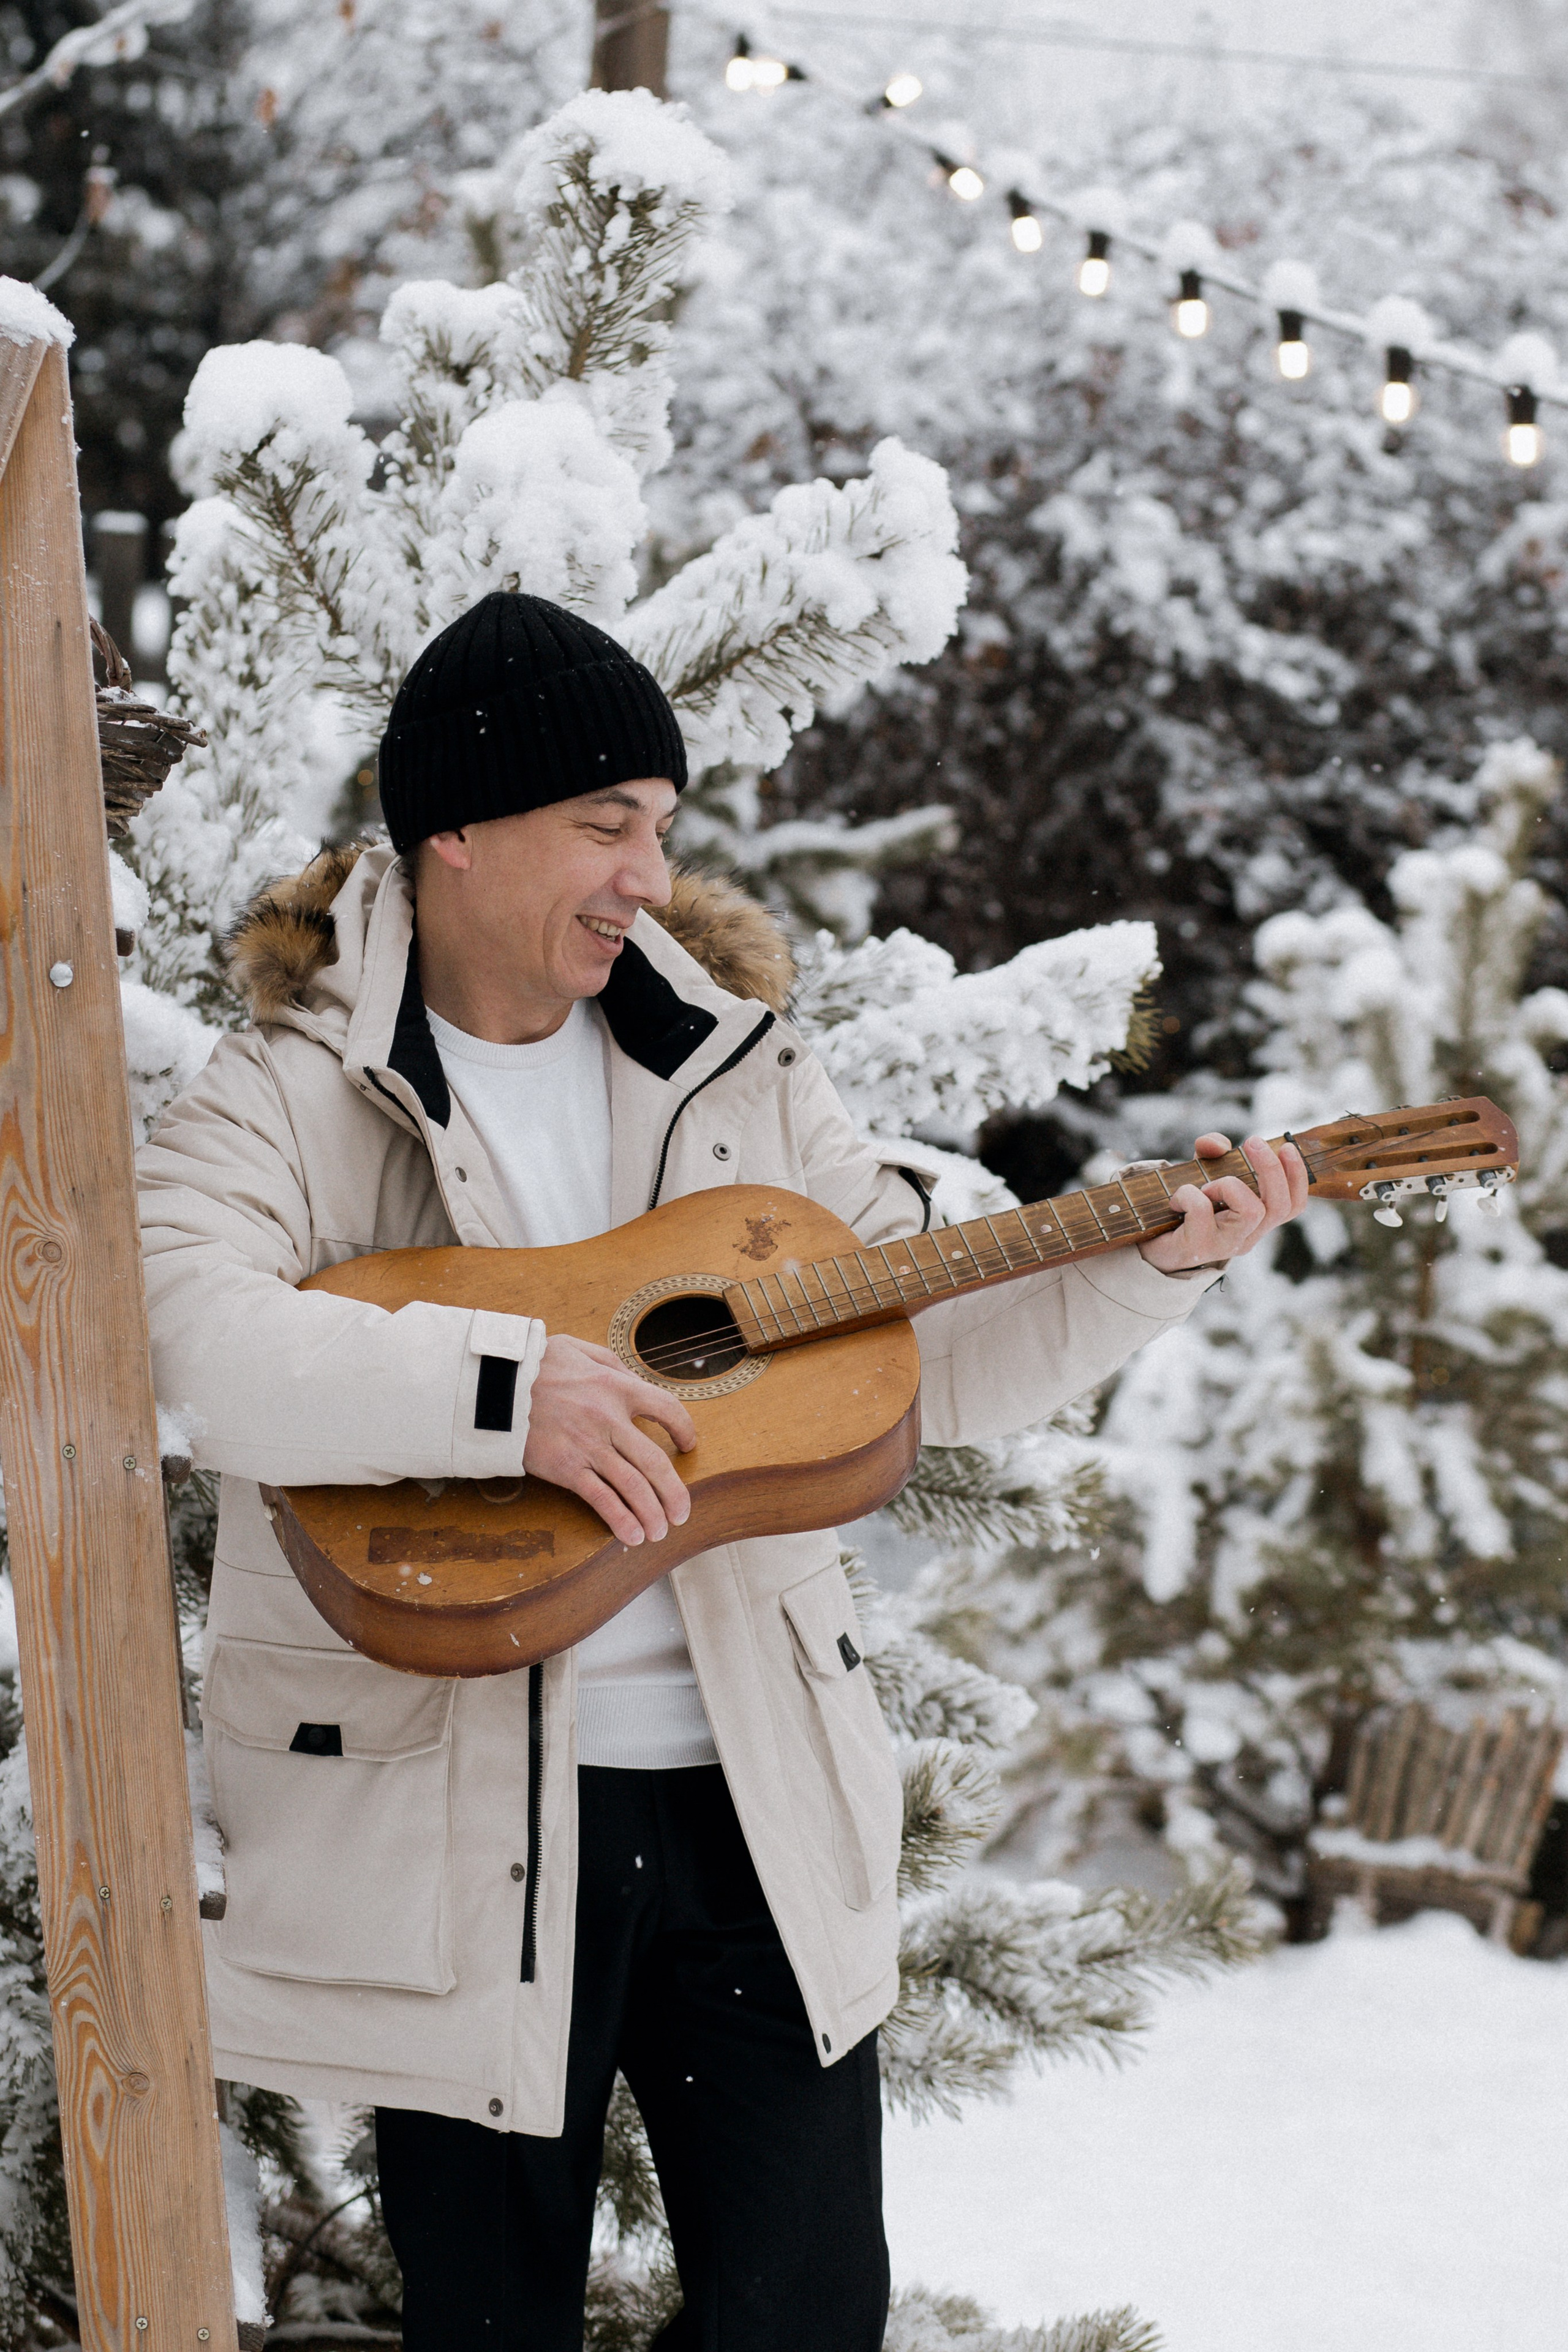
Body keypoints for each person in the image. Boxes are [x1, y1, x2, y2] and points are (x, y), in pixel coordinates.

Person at [138, 591, 1307, 2350]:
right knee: (493, 2323)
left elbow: (930, 1356)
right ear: (455, 828)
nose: (644, 876)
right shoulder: (292, 1089)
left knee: (809, 2311)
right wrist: (505, 1396)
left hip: (751, 1797)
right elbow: (190, 1340)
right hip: (451, 1816)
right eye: (604, 824)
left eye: (662, 832)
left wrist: (1159, 1262)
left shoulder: (743, 1079)